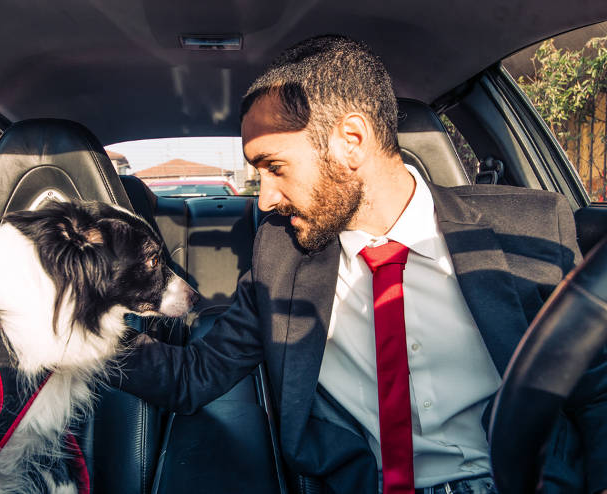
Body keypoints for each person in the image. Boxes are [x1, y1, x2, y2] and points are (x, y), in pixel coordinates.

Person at [115, 35, 607, 493]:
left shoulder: (532, 226)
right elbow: (194, 374)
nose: (263, 201)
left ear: (351, 140)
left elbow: (596, 393)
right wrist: (67, 332)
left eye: (274, 167)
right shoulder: (278, 256)